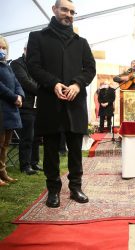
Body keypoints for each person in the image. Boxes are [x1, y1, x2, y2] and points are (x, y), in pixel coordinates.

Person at [26, 0, 96, 208]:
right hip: (50, 101)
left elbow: (90, 69)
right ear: (54, 10)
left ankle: (76, 187)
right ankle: (53, 190)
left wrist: (77, 84)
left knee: (75, 148)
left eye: (72, 12)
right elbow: (33, 66)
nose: (69, 14)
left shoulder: (81, 42)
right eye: (65, 10)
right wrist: (53, 83)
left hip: (75, 102)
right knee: (50, 149)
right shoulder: (37, 37)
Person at [10, 44, 41, 175]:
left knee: (37, 137)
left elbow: (41, 80)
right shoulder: (17, 64)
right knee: (27, 137)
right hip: (25, 106)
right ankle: (25, 165)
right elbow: (25, 82)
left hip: (37, 106)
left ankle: (34, 163)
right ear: (25, 50)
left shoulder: (37, 65)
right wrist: (42, 91)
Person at [0, 35, 24, 186]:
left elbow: (17, 83)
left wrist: (20, 96)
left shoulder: (7, 66)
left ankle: (3, 172)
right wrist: (13, 97)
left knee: (5, 144)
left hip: (10, 110)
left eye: (3, 48)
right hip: (1, 109)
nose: (2, 50)